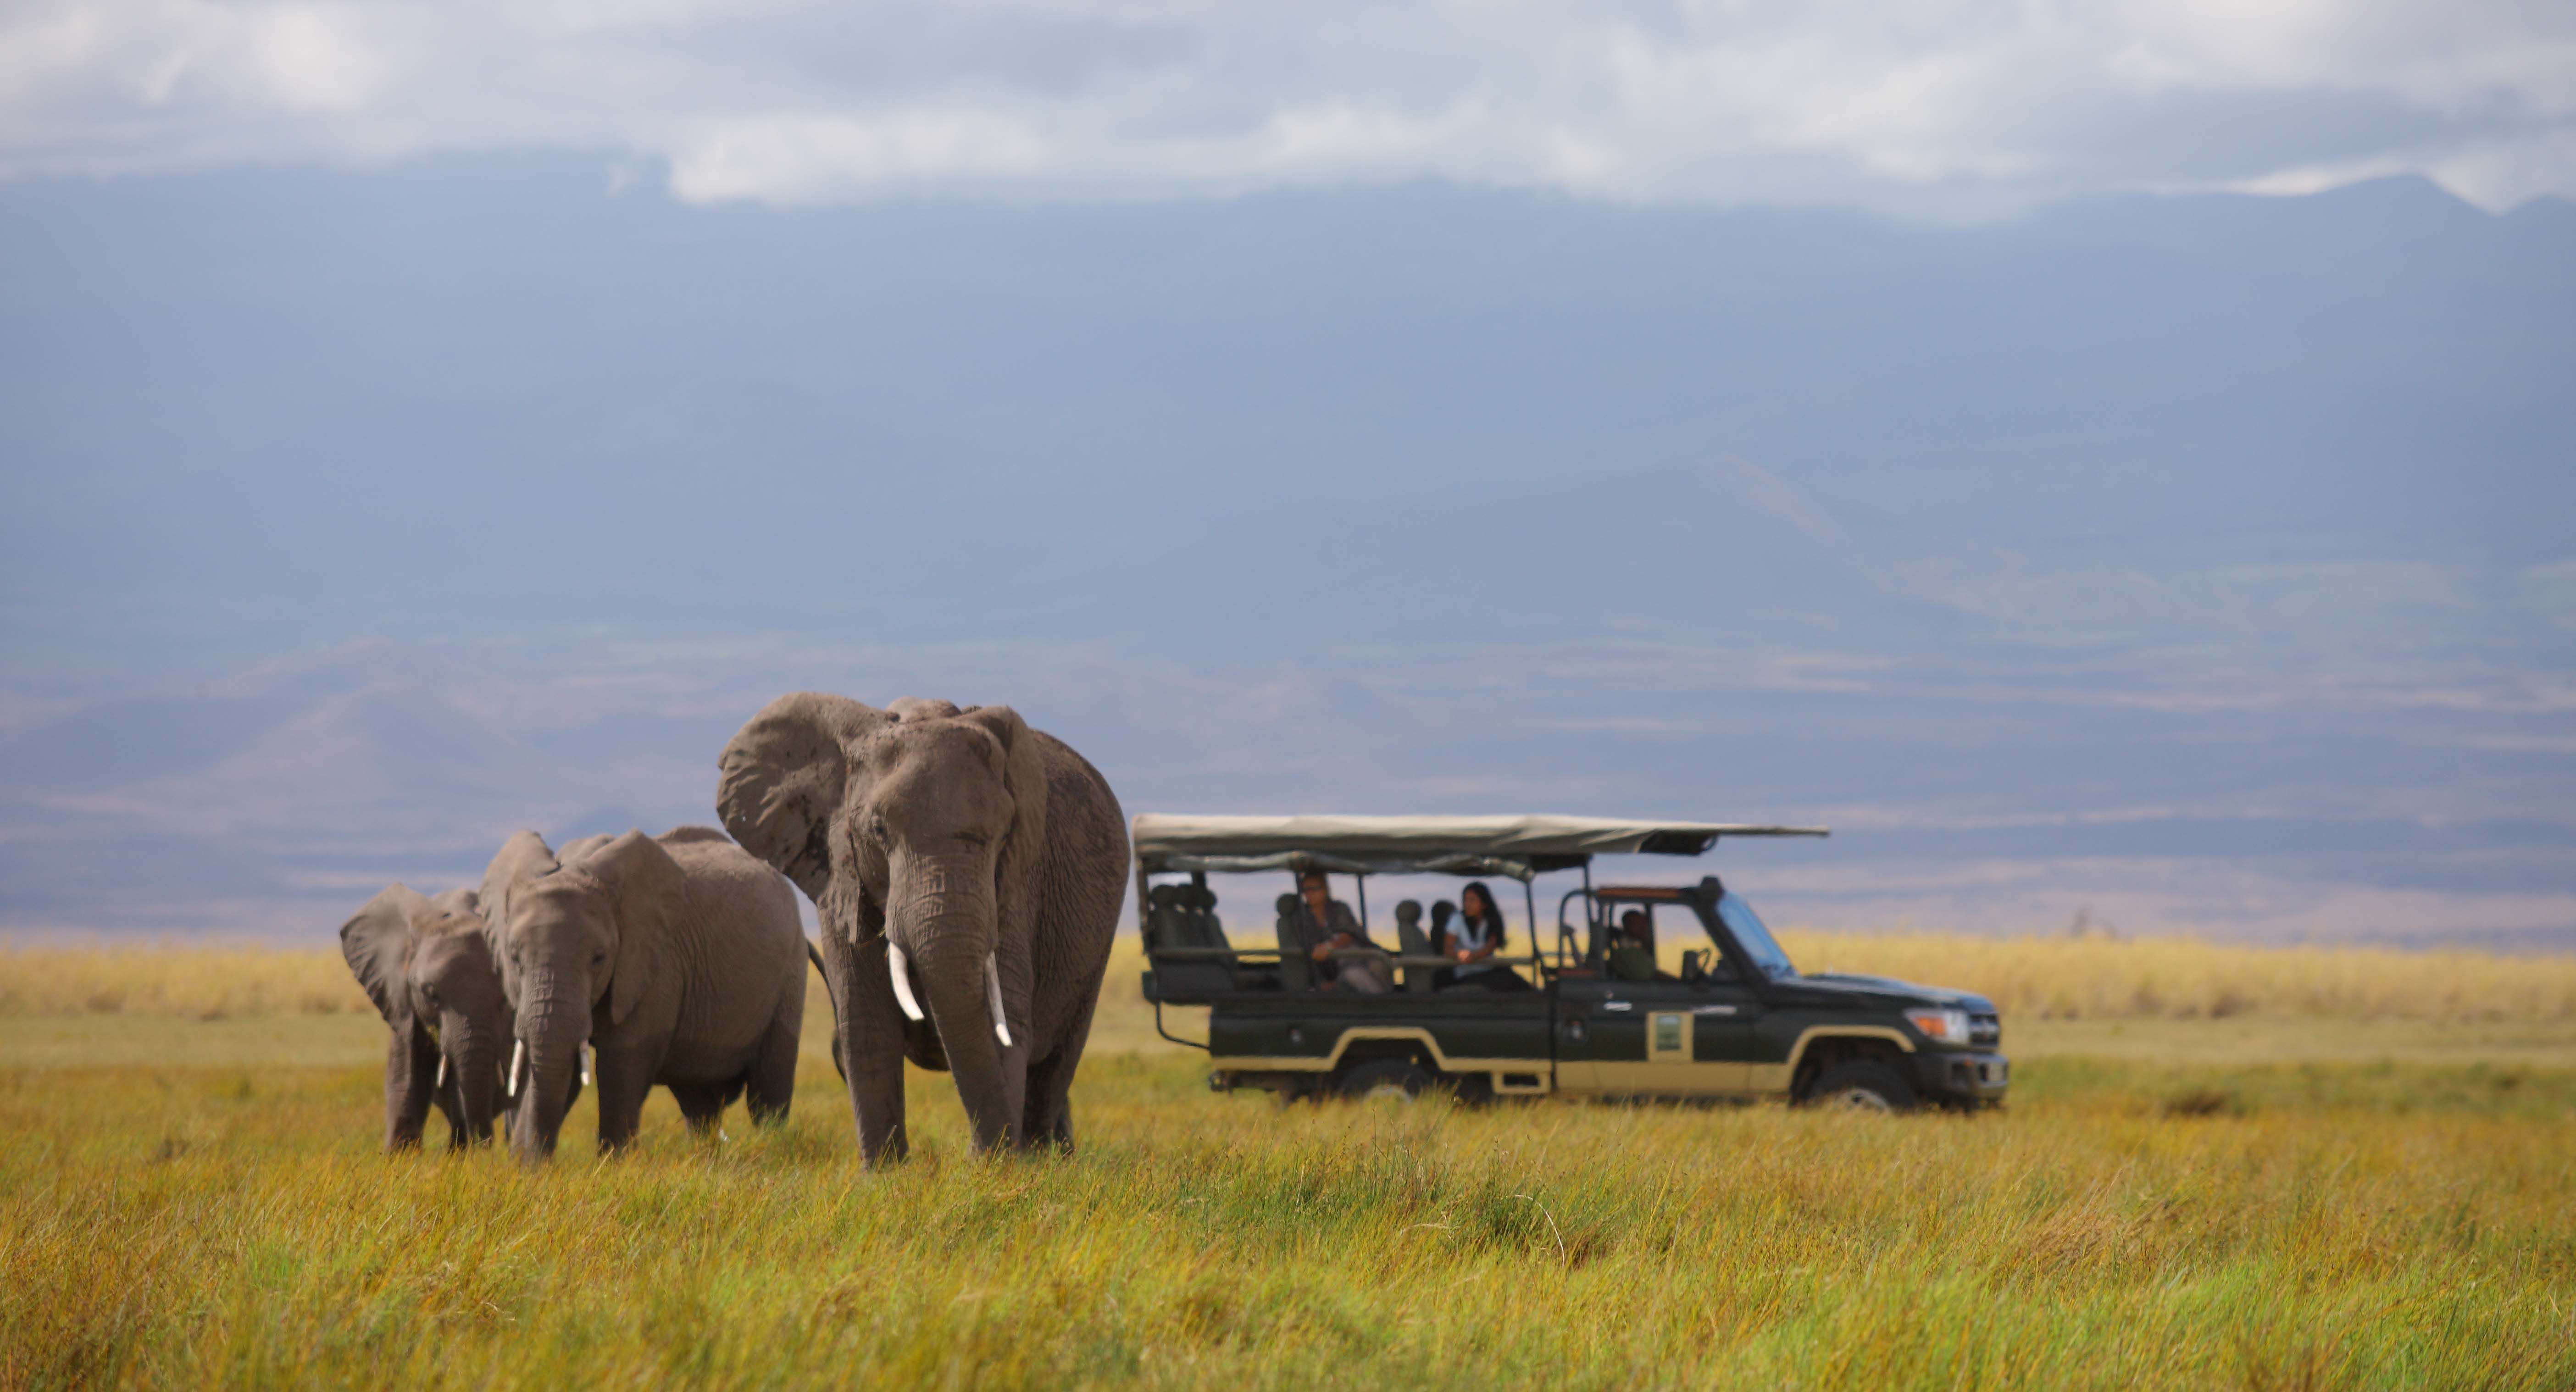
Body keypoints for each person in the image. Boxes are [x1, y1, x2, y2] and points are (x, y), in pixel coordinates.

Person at [1279, 869, 1391, 994]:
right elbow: (1307, 954)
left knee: (1378, 964)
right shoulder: (1302, 919)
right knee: (1354, 975)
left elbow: (1347, 936)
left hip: (1359, 957)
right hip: (1335, 972)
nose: (1310, 894)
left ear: (1325, 889)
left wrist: (1330, 946)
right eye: (1306, 890)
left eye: (1314, 889)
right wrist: (1321, 982)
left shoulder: (1339, 909)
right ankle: (1389, 1006)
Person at [1436, 882, 1530, 992]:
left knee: (1513, 979)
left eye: (1472, 900)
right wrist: (1460, 955)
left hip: (1489, 968)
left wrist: (1473, 956)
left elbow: (1488, 948)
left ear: (1484, 903)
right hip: (1467, 973)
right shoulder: (1457, 919)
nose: (1467, 904)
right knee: (1502, 981)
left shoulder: (1492, 921)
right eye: (1465, 900)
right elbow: (1448, 948)